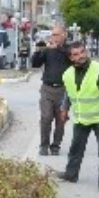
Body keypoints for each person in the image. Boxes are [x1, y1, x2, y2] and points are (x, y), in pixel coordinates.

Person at [57, 42, 99, 194]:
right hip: (82, 119)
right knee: (75, 150)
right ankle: (71, 174)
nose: (81, 56)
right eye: (76, 54)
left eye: (82, 52)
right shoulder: (67, 74)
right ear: (70, 58)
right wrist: (64, 108)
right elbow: (69, 93)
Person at [29, 25, 70, 156]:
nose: (54, 38)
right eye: (52, 35)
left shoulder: (69, 50)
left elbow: (75, 61)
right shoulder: (48, 50)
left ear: (64, 35)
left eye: (57, 35)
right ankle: (44, 145)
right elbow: (35, 64)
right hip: (47, 88)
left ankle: (56, 145)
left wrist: (60, 49)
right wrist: (40, 50)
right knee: (46, 117)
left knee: (61, 119)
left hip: (64, 90)